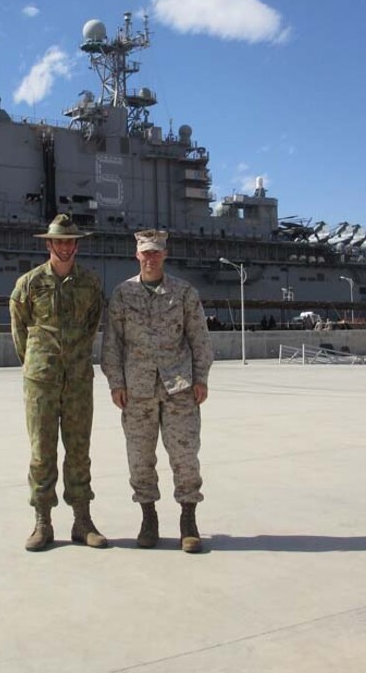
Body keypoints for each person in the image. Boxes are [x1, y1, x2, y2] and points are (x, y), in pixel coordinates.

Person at [101, 229, 214, 553]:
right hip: (137, 390)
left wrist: (201, 378)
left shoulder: (184, 293)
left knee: (185, 456)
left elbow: (200, 340)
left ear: (164, 254)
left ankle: (188, 520)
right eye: (145, 252)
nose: (150, 258)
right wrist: (116, 383)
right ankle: (148, 518)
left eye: (155, 252)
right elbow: (112, 343)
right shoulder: (123, 294)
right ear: (137, 255)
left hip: (179, 387)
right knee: (139, 458)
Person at [10, 214, 106, 551]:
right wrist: (39, 362)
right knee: (41, 453)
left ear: (76, 244)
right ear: (48, 244)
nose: (64, 247)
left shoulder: (91, 284)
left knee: (79, 452)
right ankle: (42, 522)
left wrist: (74, 356)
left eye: (70, 241)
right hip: (41, 382)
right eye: (58, 241)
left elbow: (93, 325)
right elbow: (19, 330)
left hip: (79, 379)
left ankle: (82, 520)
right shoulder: (29, 284)